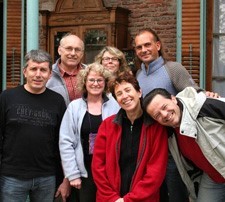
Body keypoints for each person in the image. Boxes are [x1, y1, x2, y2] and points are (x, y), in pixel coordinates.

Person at [134, 27, 198, 202]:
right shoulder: (139, 75)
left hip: (175, 146)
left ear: (158, 45)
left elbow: (194, 96)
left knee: (177, 192)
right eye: (139, 47)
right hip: (152, 144)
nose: (143, 50)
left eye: (147, 45)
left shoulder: (173, 69)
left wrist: (208, 95)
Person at [0, 50, 70, 202]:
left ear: (50, 74)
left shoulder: (57, 101)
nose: (38, 74)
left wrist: (65, 178)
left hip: (46, 176)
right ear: (25, 72)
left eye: (43, 70)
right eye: (33, 69)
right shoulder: (7, 97)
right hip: (12, 176)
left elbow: (63, 141)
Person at [92, 71, 168, 202]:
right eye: (119, 94)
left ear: (139, 92)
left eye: (128, 90)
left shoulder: (156, 127)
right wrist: (113, 198)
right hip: (110, 199)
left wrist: (128, 200)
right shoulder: (107, 125)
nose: (125, 96)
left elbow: (156, 171)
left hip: (143, 199)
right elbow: (98, 166)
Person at [143, 86, 225, 202]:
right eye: (158, 115)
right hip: (213, 177)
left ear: (173, 99)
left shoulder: (203, 107)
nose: (164, 115)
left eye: (165, 107)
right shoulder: (170, 134)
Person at [59, 62, 120, 202]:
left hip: (108, 170)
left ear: (105, 83)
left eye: (100, 80)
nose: (95, 83)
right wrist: (72, 174)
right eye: (91, 80)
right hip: (84, 171)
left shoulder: (115, 105)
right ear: (84, 82)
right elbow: (65, 141)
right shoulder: (74, 107)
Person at [46, 33, 86, 106]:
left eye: (77, 50)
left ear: (82, 53)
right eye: (69, 48)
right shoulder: (47, 73)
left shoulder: (90, 73)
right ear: (59, 50)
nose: (73, 53)